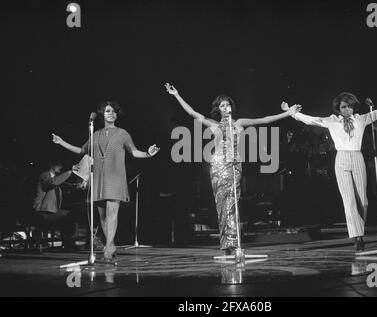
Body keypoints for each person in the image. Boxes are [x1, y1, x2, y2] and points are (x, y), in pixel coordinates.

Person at [165, 83, 300, 255]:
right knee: (222, 204)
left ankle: (234, 242)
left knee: (233, 203)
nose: (225, 107)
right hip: (219, 166)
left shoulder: (240, 123)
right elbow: (192, 113)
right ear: (218, 109)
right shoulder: (213, 124)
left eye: (227, 104)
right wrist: (176, 95)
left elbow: (265, 119)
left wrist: (288, 113)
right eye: (222, 105)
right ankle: (228, 243)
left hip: (235, 165)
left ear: (231, 107)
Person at [282, 91, 377, 252]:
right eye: (343, 107)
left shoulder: (361, 119)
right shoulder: (332, 121)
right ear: (338, 108)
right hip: (341, 159)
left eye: (349, 106)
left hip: (357, 157)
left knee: (363, 201)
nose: (347, 109)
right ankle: (358, 238)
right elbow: (311, 120)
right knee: (349, 201)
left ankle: (358, 232)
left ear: (353, 107)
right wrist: (291, 113)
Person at [52, 101, 160, 260]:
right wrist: (61, 142)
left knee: (112, 213)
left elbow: (134, 152)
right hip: (100, 177)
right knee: (102, 216)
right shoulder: (95, 134)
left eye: (114, 111)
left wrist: (148, 154)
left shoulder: (123, 133)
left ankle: (108, 247)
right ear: (102, 114)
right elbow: (82, 151)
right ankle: (111, 243)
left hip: (116, 176)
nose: (112, 113)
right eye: (108, 111)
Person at [32, 161, 77, 250]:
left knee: (69, 215)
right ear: (52, 166)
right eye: (59, 165)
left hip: (51, 211)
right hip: (42, 211)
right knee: (68, 216)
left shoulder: (54, 178)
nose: (61, 167)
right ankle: (68, 243)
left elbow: (64, 185)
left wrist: (77, 186)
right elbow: (52, 183)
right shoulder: (44, 175)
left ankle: (67, 242)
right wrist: (69, 172)